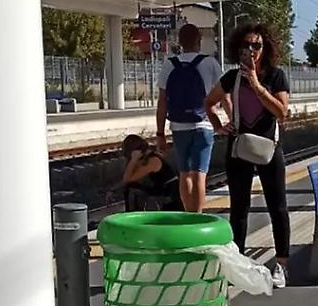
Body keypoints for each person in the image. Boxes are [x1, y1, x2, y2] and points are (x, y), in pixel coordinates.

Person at [206, 23, 291, 288]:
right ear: (238, 48)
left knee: (277, 206)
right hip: (239, 147)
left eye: (257, 45)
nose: (251, 50)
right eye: (246, 45)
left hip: (268, 147)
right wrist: (220, 125)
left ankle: (282, 265)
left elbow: (281, 111)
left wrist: (256, 84)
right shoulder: (232, 78)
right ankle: (237, 262)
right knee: (239, 207)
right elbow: (208, 102)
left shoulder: (276, 76)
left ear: (266, 49)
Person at [156, 22, 223, 213]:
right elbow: (224, 95)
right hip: (204, 125)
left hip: (178, 126)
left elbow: (162, 102)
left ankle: (188, 214)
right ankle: (198, 216)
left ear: (180, 42)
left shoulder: (170, 64)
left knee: (185, 174)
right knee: (199, 175)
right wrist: (231, 120)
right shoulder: (210, 63)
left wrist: (160, 133)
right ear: (199, 41)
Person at [120, 134, 181, 211]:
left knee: (131, 188)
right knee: (132, 186)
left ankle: (131, 214)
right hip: (162, 191)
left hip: (170, 197)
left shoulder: (152, 161)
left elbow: (127, 179)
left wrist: (133, 160)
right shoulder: (147, 157)